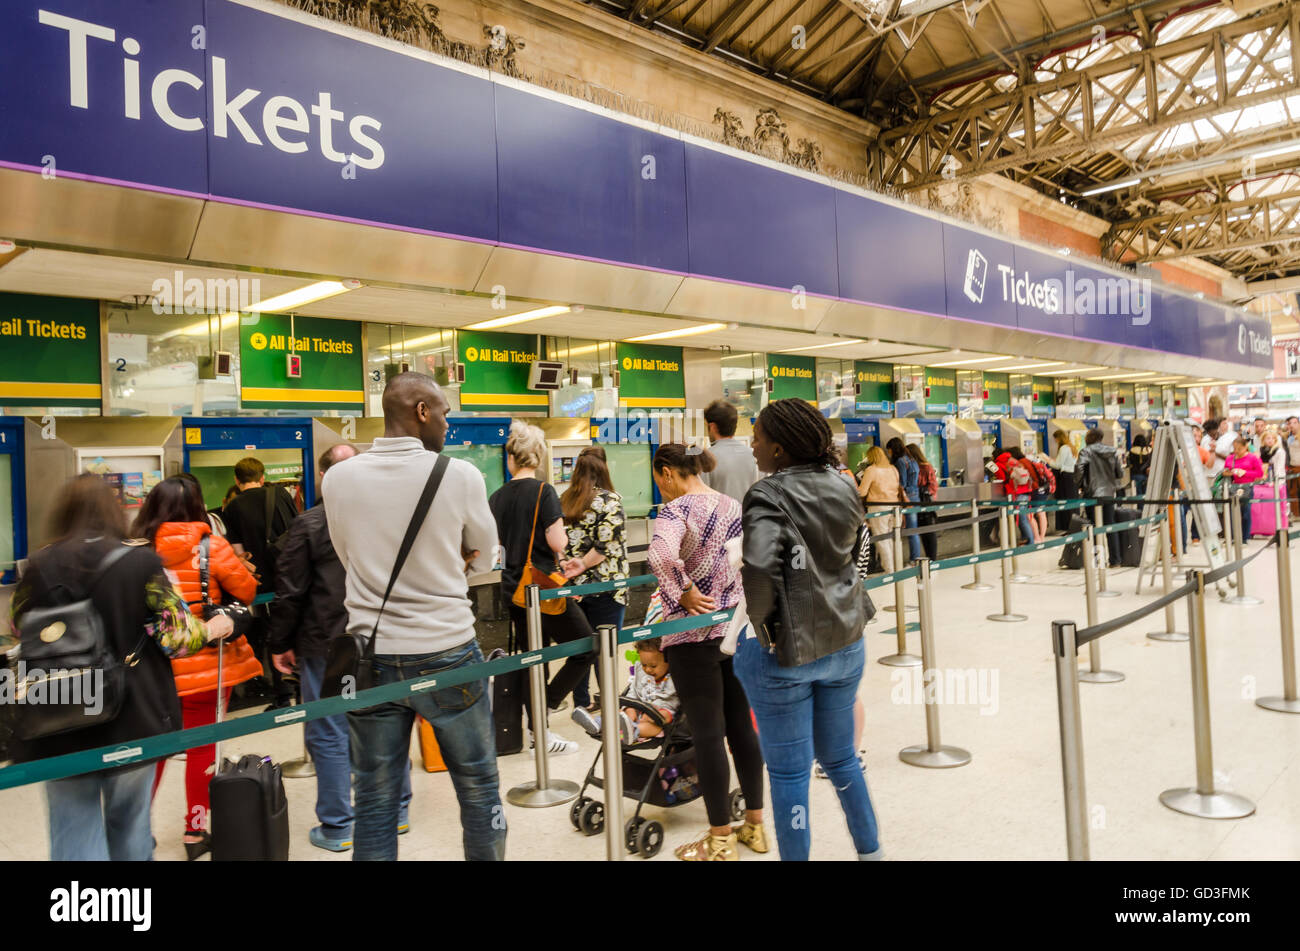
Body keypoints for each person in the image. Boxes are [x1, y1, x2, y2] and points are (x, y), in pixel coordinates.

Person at [323, 372, 504, 861]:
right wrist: (453, 560)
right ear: (422, 411)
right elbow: (489, 558)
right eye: (444, 411)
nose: (448, 423)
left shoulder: (338, 478)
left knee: (376, 800)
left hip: (369, 657)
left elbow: (347, 557)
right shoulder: (459, 475)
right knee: (479, 785)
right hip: (448, 651)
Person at [8, 475, 228, 861]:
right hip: (130, 716)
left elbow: (17, 625)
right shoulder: (141, 562)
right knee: (129, 824)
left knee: (72, 826)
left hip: (57, 712)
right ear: (114, 512)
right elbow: (179, 638)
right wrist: (214, 627)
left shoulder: (41, 563)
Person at [735, 398, 882, 862]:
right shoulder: (843, 485)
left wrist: (763, 629)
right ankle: (871, 852)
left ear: (778, 449)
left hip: (787, 655)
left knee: (789, 774)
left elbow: (758, 568)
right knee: (841, 759)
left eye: (757, 436)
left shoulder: (767, 493)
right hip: (846, 642)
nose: (752, 444)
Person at [270, 443, 413, 853]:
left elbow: (290, 591)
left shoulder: (310, 524)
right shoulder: (388, 520)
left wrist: (279, 643)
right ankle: (398, 811)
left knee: (329, 732)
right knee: (388, 719)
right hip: (384, 636)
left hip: (327, 642)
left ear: (323, 477)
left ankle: (338, 826)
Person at [132, 475, 261, 860]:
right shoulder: (212, 546)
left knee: (153, 750)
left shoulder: (138, 550)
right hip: (205, 664)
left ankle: (137, 832)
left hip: (154, 667)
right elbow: (249, 591)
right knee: (202, 748)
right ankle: (194, 830)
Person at [647, 442, 765, 861]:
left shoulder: (675, 511)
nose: (660, 488)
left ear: (667, 472)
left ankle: (719, 840)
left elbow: (659, 554)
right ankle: (754, 827)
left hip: (692, 636)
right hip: (735, 631)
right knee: (742, 730)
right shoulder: (731, 505)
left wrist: (685, 590)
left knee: (709, 736)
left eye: (658, 479)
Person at [490, 419, 594, 756]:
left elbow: (497, 545)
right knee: (585, 647)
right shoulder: (544, 491)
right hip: (544, 589)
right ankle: (543, 713)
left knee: (534, 657)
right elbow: (557, 539)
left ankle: (539, 730)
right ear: (537, 457)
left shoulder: (497, 497)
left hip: (513, 590)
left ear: (511, 459)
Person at [221, 456, 300, 709]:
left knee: (273, 636)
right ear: (262, 477)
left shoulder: (232, 508)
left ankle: (282, 695)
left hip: (263, 584)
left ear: (237, 479)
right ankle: (304, 689)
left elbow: (238, 552)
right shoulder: (281, 495)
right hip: (292, 576)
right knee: (296, 629)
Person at [559, 445, 628, 716]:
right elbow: (604, 547)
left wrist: (570, 567)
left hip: (575, 588)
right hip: (607, 585)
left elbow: (558, 543)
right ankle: (609, 700)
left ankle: (582, 701)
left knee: (582, 647)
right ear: (604, 468)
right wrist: (585, 564)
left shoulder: (565, 498)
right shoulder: (611, 500)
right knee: (605, 648)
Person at [572, 637, 678, 745]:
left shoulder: (674, 675)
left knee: (653, 720)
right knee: (624, 712)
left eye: (653, 666)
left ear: (668, 660)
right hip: (641, 705)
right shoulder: (642, 672)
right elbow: (634, 690)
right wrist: (628, 705)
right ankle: (598, 724)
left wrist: (651, 710)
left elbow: (671, 699)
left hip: (663, 711)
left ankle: (630, 731)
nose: (648, 669)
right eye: (644, 665)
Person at [1077, 429, 1124, 565]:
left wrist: (1080, 484)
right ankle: (1115, 560)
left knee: (1094, 526)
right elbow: (1120, 473)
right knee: (1110, 525)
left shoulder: (1085, 451)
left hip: (1092, 494)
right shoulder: (1112, 451)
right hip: (1109, 493)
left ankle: (1098, 560)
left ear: (1090, 437)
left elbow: (1079, 470)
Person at [701, 399, 759, 503]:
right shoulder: (755, 456)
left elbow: (702, 501)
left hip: (719, 518)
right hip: (749, 518)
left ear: (713, 427)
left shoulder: (706, 459)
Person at [857, 446, 904, 573]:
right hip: (895, 507)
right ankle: (898, 568)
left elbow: (862, 492)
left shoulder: (871, 470)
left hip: (879, 507)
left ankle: (890, 571)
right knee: (894, 538)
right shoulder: (893, 469)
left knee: (882, 539)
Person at [887, 438, 923, 563]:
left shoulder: (901, 462)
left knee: (911, 531)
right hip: (915, 496)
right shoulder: (912, 460)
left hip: (907, 497)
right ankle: (915, 558)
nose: (889, 453)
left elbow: (901, 483)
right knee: (913, 530)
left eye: (889, 450)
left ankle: (914, 559)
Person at [994, 448, 1037, 544]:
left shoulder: (998, 464)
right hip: (1026, 490)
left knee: (1022, 518)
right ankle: (1026, 539)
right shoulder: (1014, 461)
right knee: (1023, 517)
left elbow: (1002, 477)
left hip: (1018, 492)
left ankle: (1030, 542)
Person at [904, 443, 939, 561]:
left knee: (928, 533)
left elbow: (933, 487)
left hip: (924, 503)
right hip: (917, 502)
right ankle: (928, 559)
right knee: (922, 533)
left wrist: (918, 491)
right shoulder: (913, 467)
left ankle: (932, 559)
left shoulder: (925, 467)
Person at [1227, 437, 1264, 540]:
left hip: (1248, 487)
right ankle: (1233, 536)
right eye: (1234, 449)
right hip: (1234, 487)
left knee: (1246, 512)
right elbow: (1225, 471)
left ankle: (1245, 537)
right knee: (1232, 513)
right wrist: (1232, 472)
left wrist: (1245, 472)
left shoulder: (1252, 458)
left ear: (1245, 447)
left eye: (1239, 449)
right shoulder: (1230, 458)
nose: (1236, 451)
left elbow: (1260, 473)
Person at [1050, 430, 1078, 533]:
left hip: (1065, 478)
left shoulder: (1063, 448)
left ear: (1058, 438)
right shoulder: (1072, 447)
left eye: (1055, 439)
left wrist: (1047, 460)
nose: (1056, 441)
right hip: (1072, 477)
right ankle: (1073, 527)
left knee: (1066, 502)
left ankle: (1068, 527)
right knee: (1072, 502)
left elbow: (1058, 465)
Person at [1286, 416, 1300, 517]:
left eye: (1295, 423)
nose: (1292, 425)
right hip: (1291, 467)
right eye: (1290, 423)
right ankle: (1296, 514)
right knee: (1292, 492)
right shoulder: (1287, 437)